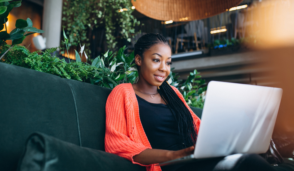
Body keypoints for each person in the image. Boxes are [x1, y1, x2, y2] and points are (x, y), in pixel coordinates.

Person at [104, 33, 276, 171]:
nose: (164, 68)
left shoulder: (173, 94)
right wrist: (174, 155)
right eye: (156, 60)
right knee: (247, 163)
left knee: (248, 160)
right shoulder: (122, 93)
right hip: (170, 165)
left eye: (168, 62)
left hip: (194, 161)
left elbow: (199, 128)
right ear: (139, 60)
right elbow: (118, 145)